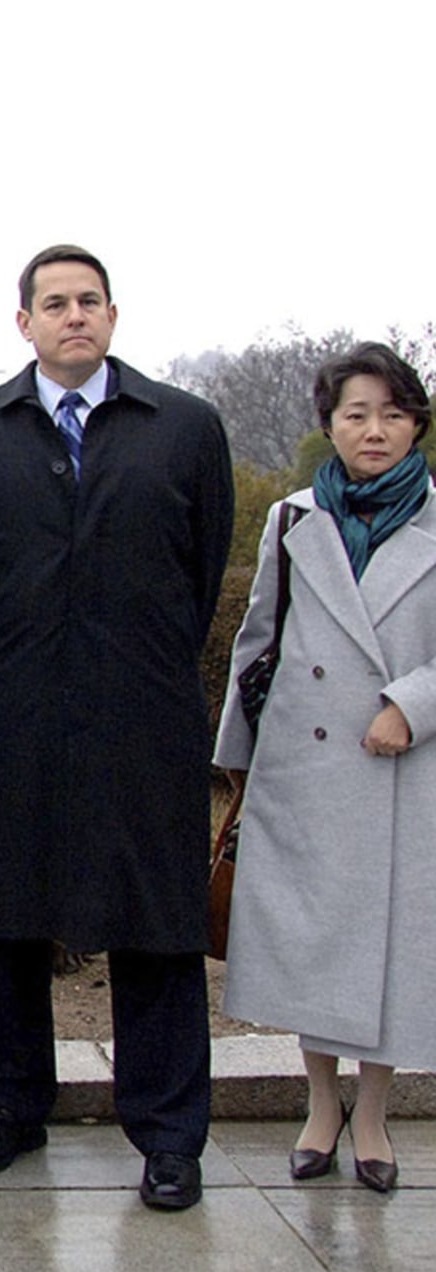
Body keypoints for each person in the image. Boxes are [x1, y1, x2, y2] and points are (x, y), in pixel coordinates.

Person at [0, 245, 233, 1211]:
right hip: (14, 713)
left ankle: (170, 1133)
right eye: (53, 304)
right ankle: (11, 1108)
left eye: (88, 301)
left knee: (158, 926)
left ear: (112, 314)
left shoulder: (182, 427)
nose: (73, 316)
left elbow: (200, 566)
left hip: (144, 717)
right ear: (23, 323)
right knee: (11, 919)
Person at [215, 342, 436, 1195]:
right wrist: (235, 761)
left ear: (415, 422)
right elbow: (258, 643)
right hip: (305, 770)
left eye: (390, 413)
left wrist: (410, 705)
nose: (373, 430)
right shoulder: (295, 519)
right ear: (330, 426)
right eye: (355, 414)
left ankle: (373, 1113)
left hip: (404, 769)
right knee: (310, 946)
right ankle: (319, 1102)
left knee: (391, 951)